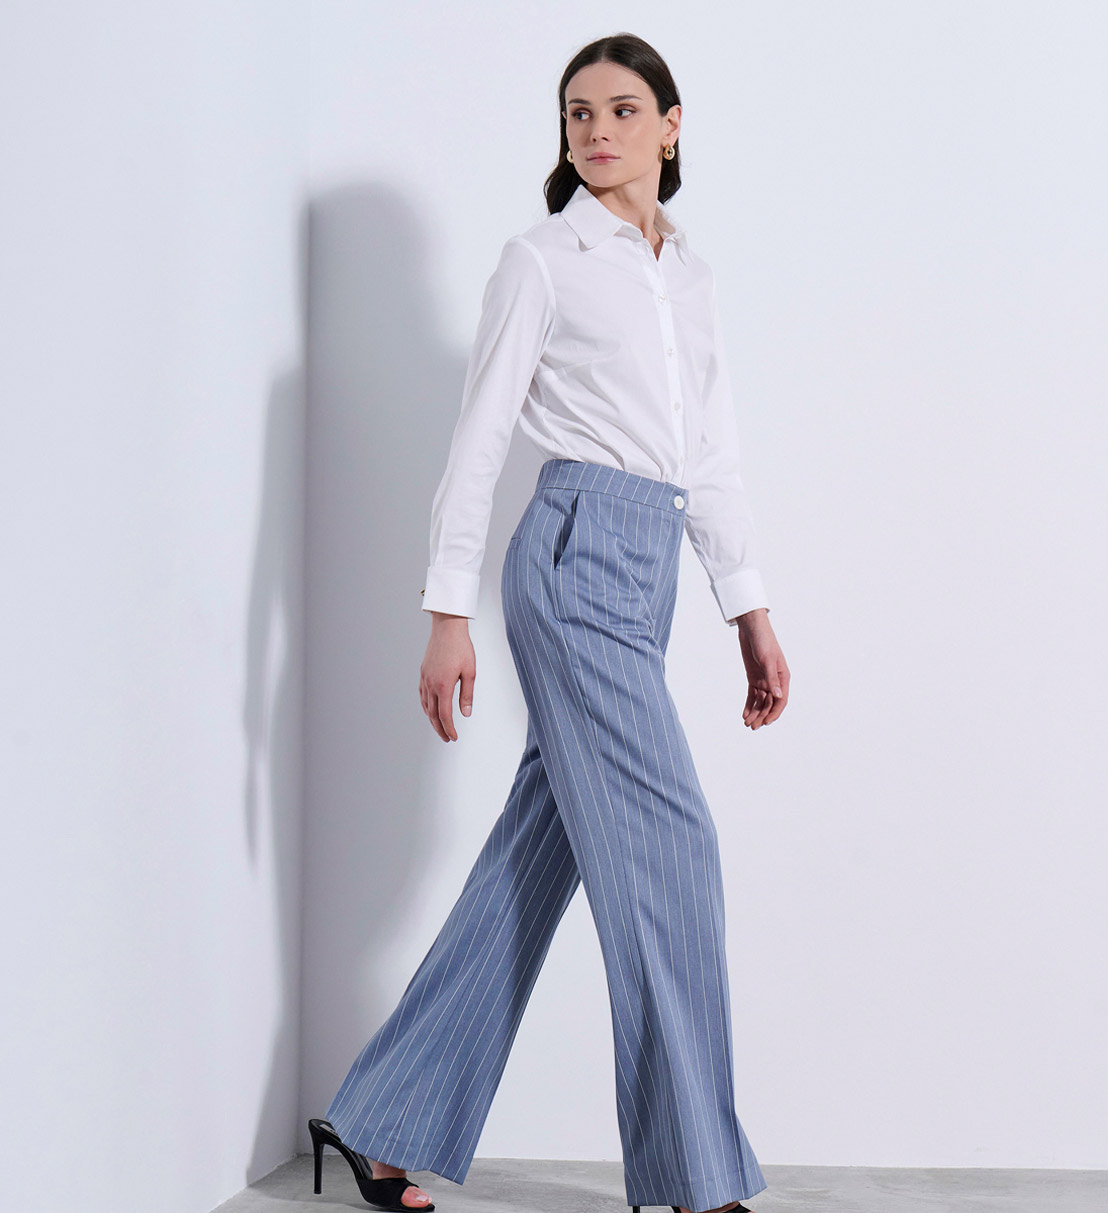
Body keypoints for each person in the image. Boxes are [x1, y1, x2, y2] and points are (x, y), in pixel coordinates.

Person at [307, 33, 786, 1213]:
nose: (597, 130)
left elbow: (709, 456)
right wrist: (446, 612)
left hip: (650, 562)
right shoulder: (541, 260)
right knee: (673, 846)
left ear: (671, 125)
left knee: (540, 853)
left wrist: (747, 608)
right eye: (578, 113)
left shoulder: (688, 278)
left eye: (622, 109)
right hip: (571, 557)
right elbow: (478, 441)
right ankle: (696, 1176)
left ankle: (381, 1120)